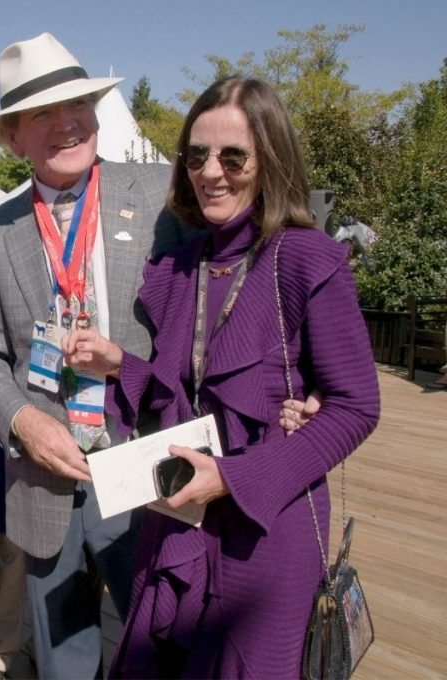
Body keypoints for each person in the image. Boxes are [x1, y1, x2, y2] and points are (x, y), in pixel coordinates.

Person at [62, 76, 380, 677]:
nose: (212, 172)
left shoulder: (305, 258)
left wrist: (233, 479)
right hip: (179, 519)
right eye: (197, 154)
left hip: (265, 531)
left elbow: (356, 407)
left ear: (270, 162)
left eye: (233, 156)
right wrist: (119, 365)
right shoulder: (184, 264)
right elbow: (187, 392)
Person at [0, 32, 188, 678]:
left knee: (161, 650)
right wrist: (23, 422)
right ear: (13, 138)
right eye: (42, 115)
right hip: (45, 482)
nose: (67, 124)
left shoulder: (161, 195)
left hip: (150, 464)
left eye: (78, 106)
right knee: (66, 662)